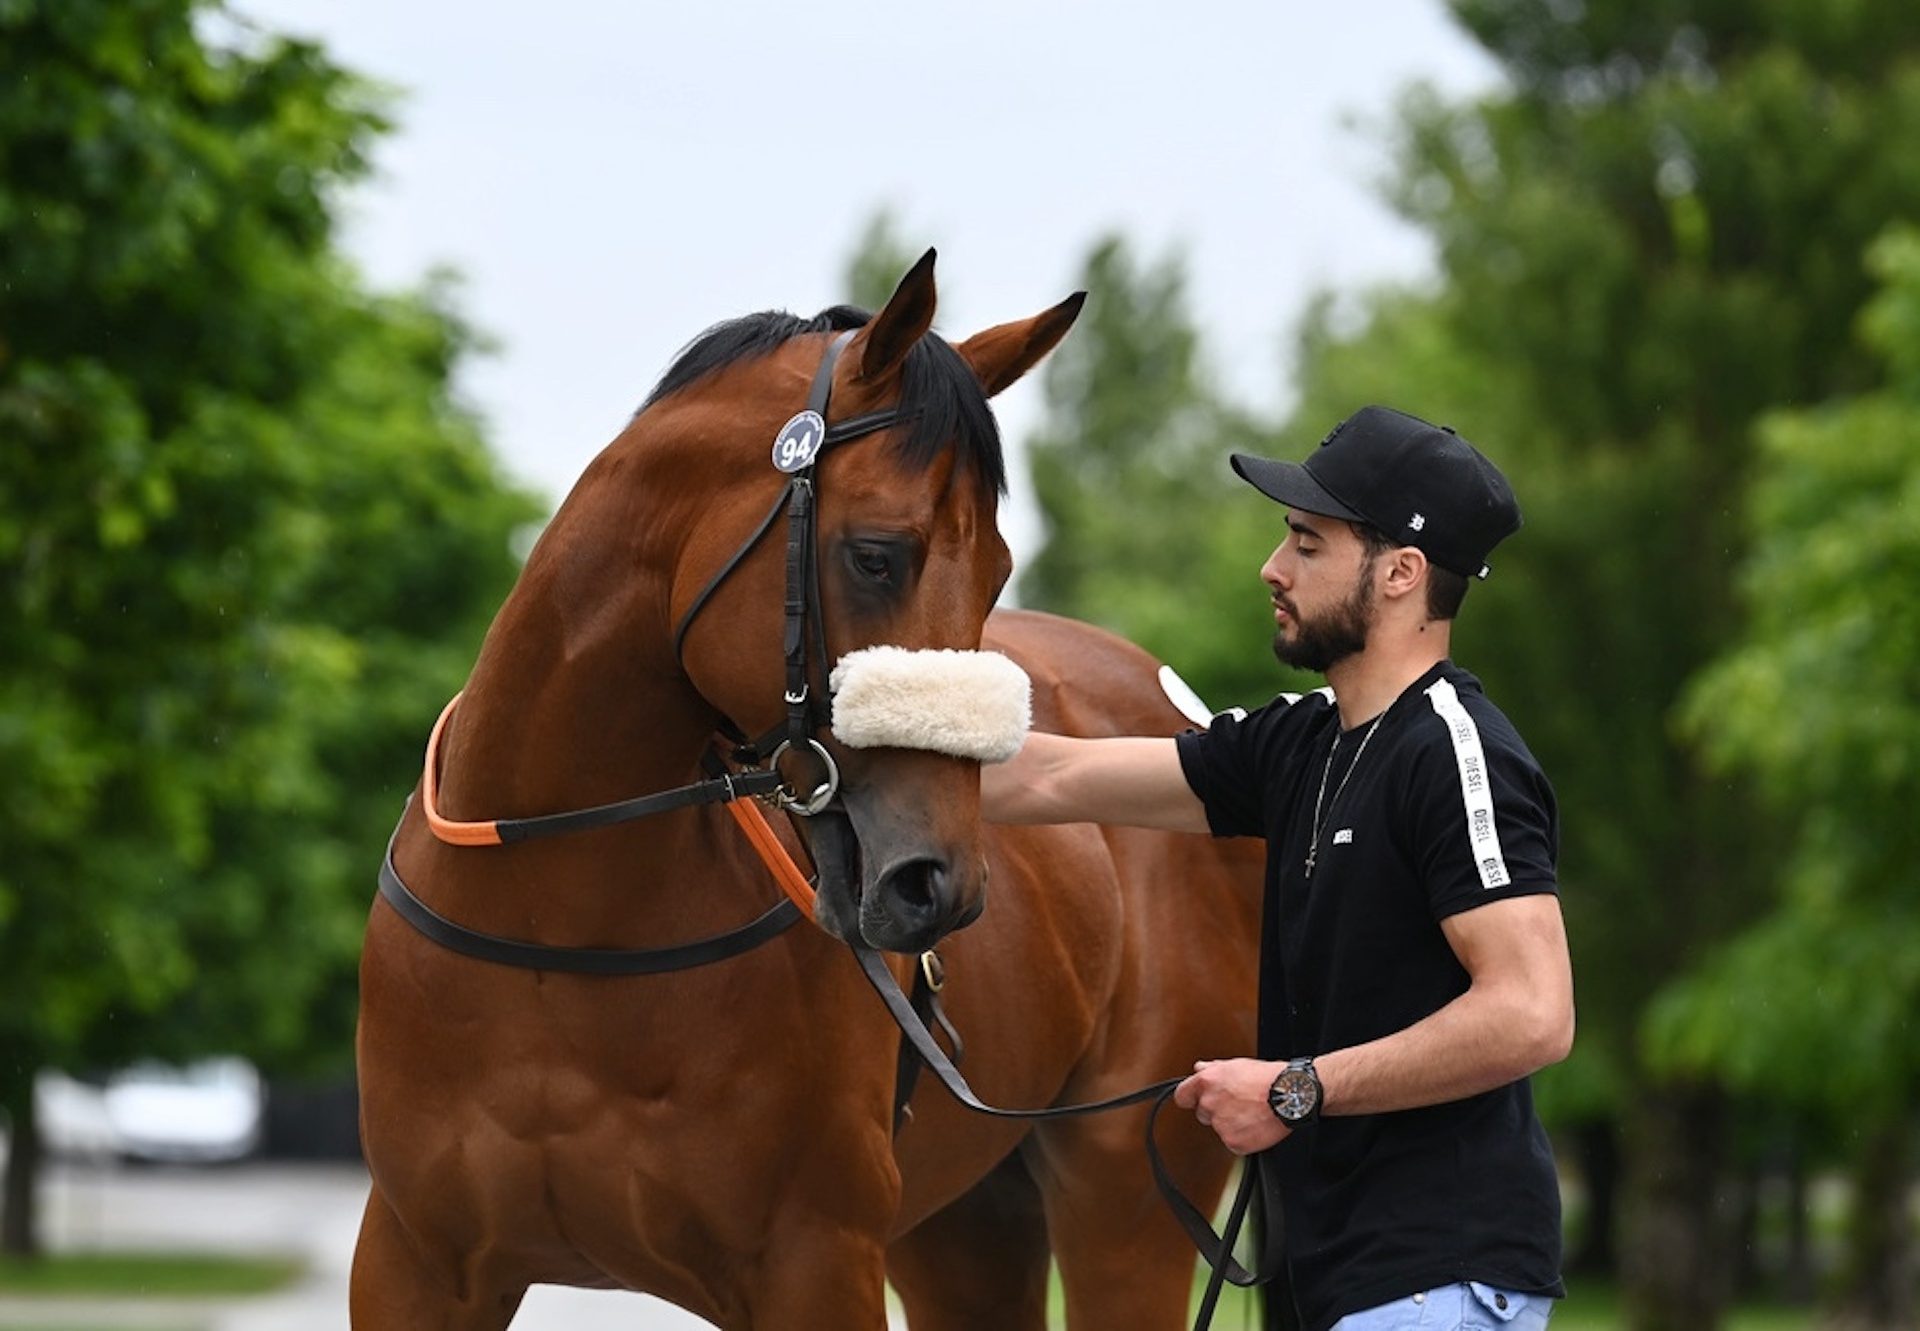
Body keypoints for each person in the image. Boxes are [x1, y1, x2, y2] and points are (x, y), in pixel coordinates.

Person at [982, 405, 1574, 1331]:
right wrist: (844, 718)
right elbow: (1049, 774)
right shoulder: (1299, 742)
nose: (1273, 565)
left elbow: (1534, 1011)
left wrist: (1296, 1087)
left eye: (1307, 542)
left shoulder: (1458, 756)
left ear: (1401, 573)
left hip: (1435, 1280)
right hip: (1332, 1282)